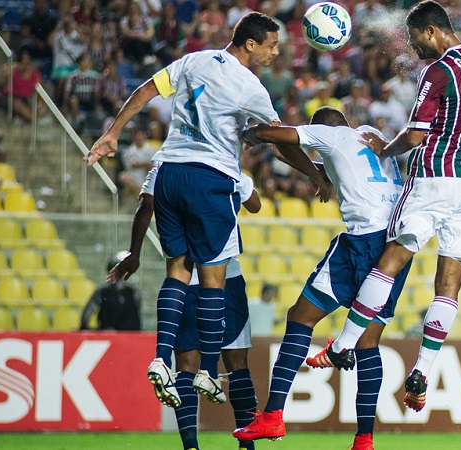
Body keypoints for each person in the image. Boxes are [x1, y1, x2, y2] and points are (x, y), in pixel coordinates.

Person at [84, 11, 329, 407]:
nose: (276, 52)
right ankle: (206, 372)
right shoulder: (251, 86)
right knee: (213, 279)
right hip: (209, 178)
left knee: (177, 272)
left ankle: (161, 360)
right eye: (271, 45)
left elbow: (147, 89)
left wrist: (112, 133)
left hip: (168, 174)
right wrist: (315, 174)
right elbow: (281, 142)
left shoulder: (195, 59)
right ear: (250, 44)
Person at [304, 0, 461, 414]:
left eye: (416, 40)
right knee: (449, 283)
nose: (415, 49)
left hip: (437, 176)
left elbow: (415, 136)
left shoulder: (439, 70)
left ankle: (343, 345)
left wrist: (386, 148)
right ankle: (423, 369)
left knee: (391, 259)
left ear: (432, 31)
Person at [231, 107, 411, 450]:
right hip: (397, 245)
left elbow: (277, 136)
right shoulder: (368, 134)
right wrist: (318, 176)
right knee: (368, 342)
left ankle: (272, 416)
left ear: (320, 130)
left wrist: (251, 133)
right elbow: (314, 161)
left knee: (300, 317)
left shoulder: (332, 135)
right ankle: (364, 439)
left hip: (363, 242)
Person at [108, 163, 262, 450]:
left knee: (185, 368)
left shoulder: (165, 166)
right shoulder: (223, 162)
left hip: (183, 285)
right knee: (237, 365)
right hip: (224, 279)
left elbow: (146, 206)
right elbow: (255, 204)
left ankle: (190, 445)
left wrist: (135, 251)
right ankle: (247, 445)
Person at [80, 252, 142, 330]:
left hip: (119, 334)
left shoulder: (132, 292)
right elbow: (86, 316)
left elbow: (85, 317)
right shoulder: (102, 291)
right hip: (119, 334)